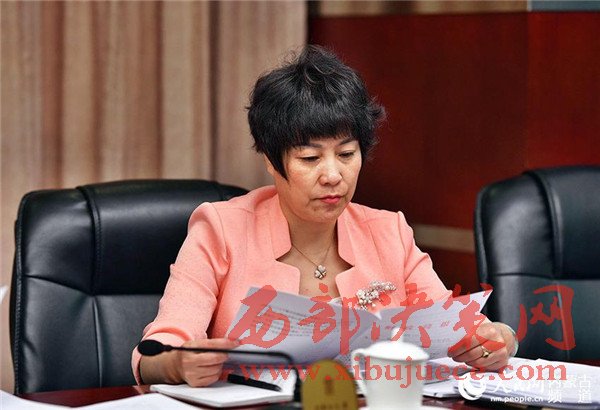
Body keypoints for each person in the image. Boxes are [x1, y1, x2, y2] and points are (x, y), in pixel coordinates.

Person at [132, 45, 517, 387]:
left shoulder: (388, 232)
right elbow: (155, 353)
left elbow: (459, 327)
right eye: (310, 157)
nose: (333, 175)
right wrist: (178, 364)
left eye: (346, 154)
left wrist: (497, 340)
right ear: (271, 161)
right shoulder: (221, 229)